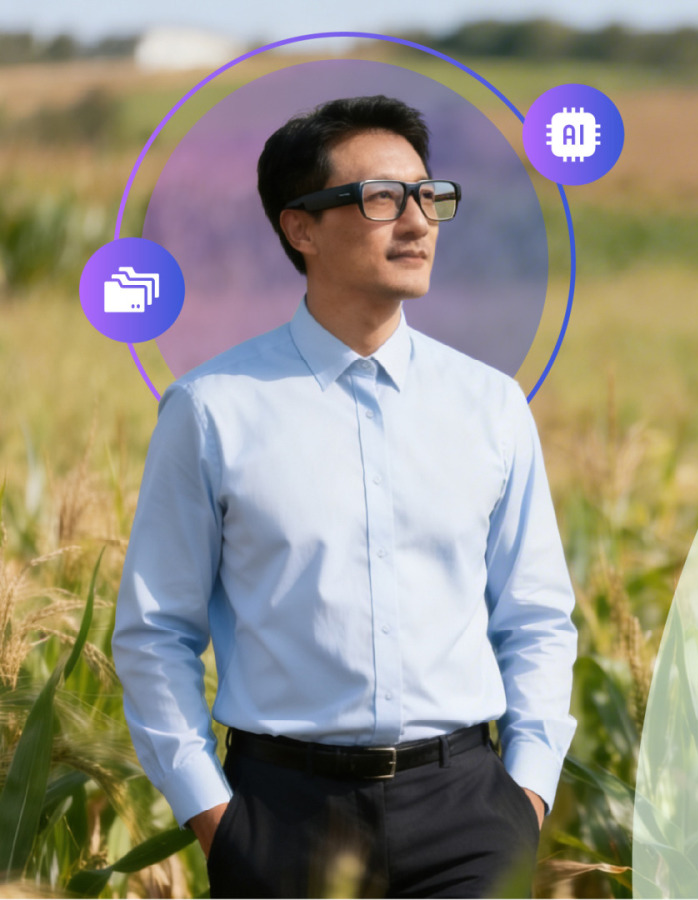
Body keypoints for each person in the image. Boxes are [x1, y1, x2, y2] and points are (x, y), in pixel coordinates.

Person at [112, 94, 578, 898]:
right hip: (282, 817)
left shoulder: (490, 405)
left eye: (428, 197)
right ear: (301, 228)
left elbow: (535, 617)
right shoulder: (212, 409)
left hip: (468, 812)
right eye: (380, 199)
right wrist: (217, 820)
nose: (417, 222)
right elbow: (156, 635)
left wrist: (525, 795)